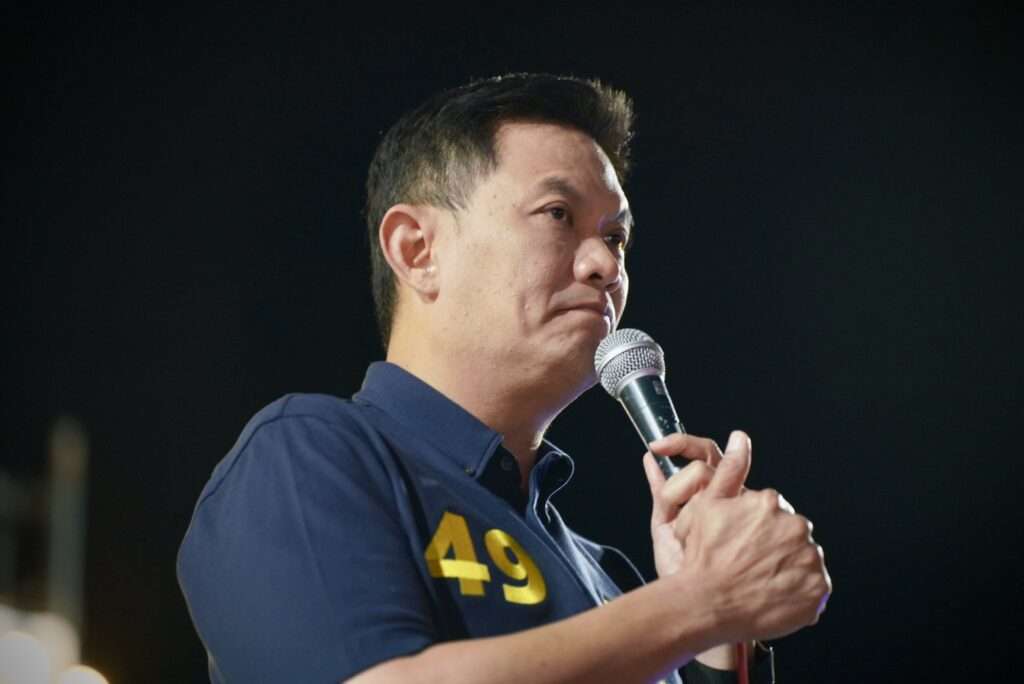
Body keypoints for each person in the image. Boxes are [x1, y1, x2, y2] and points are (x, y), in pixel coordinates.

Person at [177, 73, 831, 683]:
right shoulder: (311, 453)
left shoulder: (611, 577)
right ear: (416, 250)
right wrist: (699, 604)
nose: (606, 265)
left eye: (617, 238)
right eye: (557, 214)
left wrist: (720, 640)